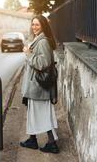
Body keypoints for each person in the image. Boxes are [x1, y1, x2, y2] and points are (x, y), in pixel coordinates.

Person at [20, 14, 59, 153]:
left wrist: (28, 54)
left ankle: (52, 143)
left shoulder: (43, 41)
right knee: (34, 112)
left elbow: (42, 63)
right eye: (33, 24)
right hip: (35, 85)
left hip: (39, 86)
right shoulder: (39, 39)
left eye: (37, 24)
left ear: (43, 26)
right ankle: (33, 140)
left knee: (42, 113)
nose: (34, 27)